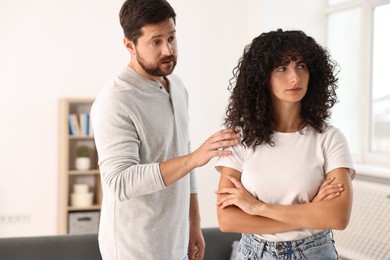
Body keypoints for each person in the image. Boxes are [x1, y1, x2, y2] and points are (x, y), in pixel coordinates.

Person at [90, 0, 240, 259]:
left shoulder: (178, 87)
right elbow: (119, 182)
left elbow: (184, 153)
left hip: (176, 244)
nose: (168, 50)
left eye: (172, 38)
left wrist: (194, 225)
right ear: (129, 45)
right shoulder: (115, 101)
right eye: (156, 42)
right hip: (133, 251)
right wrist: (194, 158)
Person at [214, 29, 355, 260]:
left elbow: (337, 217)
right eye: (282, 68)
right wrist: (309, 213)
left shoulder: (329, 138)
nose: (295, 78)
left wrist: (257, 208)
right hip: (253, 254)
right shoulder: (240, 138)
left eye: (301, 66)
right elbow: (227, 220)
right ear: (262, 77)